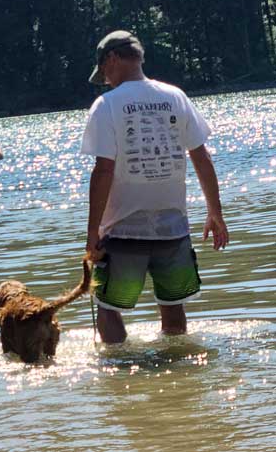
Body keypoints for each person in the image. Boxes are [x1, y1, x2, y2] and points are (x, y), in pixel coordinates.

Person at [81, 30, 229, 344]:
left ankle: (118, 378)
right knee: (173, 306)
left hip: (122, 231)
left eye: (104, 71)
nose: (105, 79)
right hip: (173, 228)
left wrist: (92, 232)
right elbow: (201, 155)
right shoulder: (175, 96)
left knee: (108, 309)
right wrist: (215, 213)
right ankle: (178, 371)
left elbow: (103, 170)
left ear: (113, 59)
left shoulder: (106, 105)